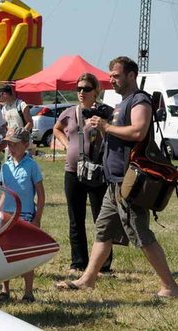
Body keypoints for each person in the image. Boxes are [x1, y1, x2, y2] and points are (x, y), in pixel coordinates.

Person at [54, 56, 178, 298]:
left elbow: (139, 131)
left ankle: (170, 286)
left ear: (131, 76)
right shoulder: (122, 102)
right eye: (110, 75)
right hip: (114, 182)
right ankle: (87, 280)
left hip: (127, 181)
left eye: (117, 75)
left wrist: (106, 127)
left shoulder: (139, 99)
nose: (112, 79)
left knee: (139, 233)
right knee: (103, 230)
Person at [53, 73, 113, 275]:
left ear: (96, 91)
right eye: (78, 88)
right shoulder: (70, 112)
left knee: (101, 219)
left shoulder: (105, 112)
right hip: (73, 172)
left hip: (98, 172)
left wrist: (103, 125)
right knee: (75, 219)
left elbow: (113, 136)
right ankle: (78, 263)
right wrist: (66, 144)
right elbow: (57, 128)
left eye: (86, 88)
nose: (81, 92)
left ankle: (103, 264)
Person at [0, 127, 45, 303]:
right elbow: (3, 191)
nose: (11, 148)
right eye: (9, 144)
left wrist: (37, 217)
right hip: (8, 215)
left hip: (25, 215)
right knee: (5, 252)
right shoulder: (5, 166)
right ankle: (5, 289)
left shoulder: (32, 166)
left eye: (15, 144)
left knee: (27, 254)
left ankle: (28, 292)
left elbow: (40, 193)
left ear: (26, 145)